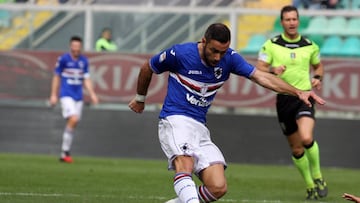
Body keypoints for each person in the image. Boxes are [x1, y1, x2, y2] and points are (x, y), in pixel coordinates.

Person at [128, 23, 325, 203]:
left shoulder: (229, 59)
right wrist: (140, 99)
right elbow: (148, 67)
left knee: (218, 187)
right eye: (214, 51)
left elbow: (263, 78)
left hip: (199, 127)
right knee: (184, 163)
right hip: (175, 119)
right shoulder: (179, 54)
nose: (217, 57)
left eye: (222, 52)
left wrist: (298, 91)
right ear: (203, 41)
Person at [256, 5, 327, 200]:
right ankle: (310, 185)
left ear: (298, 20)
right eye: (287, 20)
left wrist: (318, 77)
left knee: (306, 138)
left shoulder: (310, 45)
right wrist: (273, 70)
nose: (292, 23)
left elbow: (318, 66)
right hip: (284, 100)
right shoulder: (271, 45)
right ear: (282, 22)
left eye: (294, 19)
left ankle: (319, 176)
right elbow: (260, 69)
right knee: (296, 149)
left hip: (304, 97)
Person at [49, 36, 99, 163]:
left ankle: (64, 153)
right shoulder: (63, 59)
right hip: (66, 95)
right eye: (74, 46)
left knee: (73, 123)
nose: (76, 48)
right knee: (74, 118)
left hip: (79, 97)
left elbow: (86, 79)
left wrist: (92, 94)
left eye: (78, 46)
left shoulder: (84, 61)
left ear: (80, 47)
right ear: (70, 46)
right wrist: (53, 95)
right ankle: (65, 152)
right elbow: (56, 77)